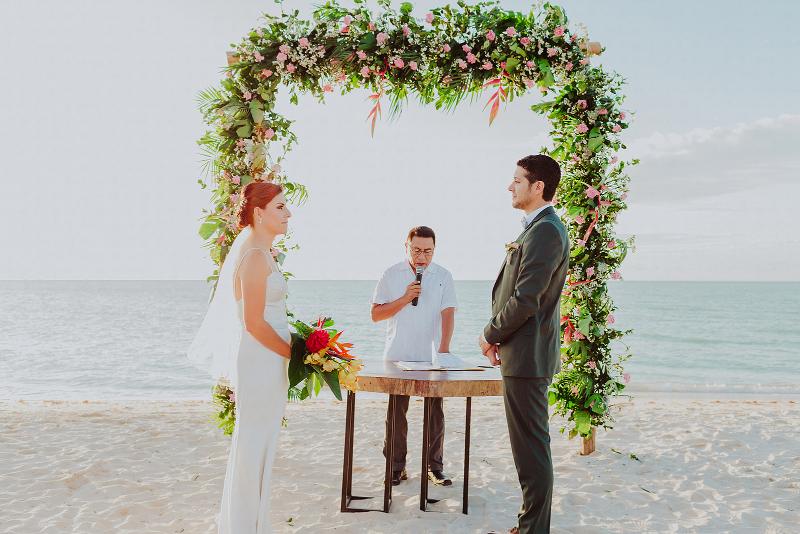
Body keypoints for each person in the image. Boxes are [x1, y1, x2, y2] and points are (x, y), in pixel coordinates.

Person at [188, 181, 293, 534]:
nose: (288, 214)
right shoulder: (252, 257)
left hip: (268, 359)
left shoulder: (262, 253)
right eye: (280, 207)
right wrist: (291, 352)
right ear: (259, 213)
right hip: (261, 359)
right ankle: (244, 525)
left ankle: (253, 521)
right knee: (252, 441)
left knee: (261, 440)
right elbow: (252, 322)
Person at [478, 155, 569, 534]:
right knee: (528, 449)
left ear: (538, 187)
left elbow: (526, 298)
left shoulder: (546, 230)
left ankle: (533, 529)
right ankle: (530, 524)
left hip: (528, 356)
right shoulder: (536, 228)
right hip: (523, 353)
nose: (509, 186)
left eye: (517, 180)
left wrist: (490, 333)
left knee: (531, 450)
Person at [371, 226, 458, 486]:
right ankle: (396, 467)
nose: (422, 256)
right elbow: (376, 315)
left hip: (431, 356)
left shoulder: (443, 275)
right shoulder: (391, 274)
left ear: (434, 250)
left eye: (428, 251)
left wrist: (444, 349)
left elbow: (448, 313)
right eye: (417, 250)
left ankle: (435, 467)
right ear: (406, 247)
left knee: (435, 413)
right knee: (397, 414)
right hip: (397, 355)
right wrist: (405, 297)